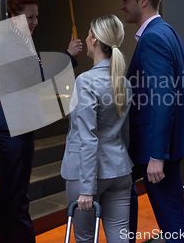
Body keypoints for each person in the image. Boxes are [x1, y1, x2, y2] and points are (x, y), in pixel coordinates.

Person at [0, 0, 82, 243]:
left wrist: (0, 98)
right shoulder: (15, 43)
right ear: (13, 17)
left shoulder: (18, 41)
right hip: (14, 127)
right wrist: (69, 55)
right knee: (16, 196)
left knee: (11, 193)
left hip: (13, 122)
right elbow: (38, 79)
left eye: (36, 17)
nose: (35, 22)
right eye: (30, 17)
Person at [119, 0, 184, 243]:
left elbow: (163, 99)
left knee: (172, 221)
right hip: (165, 144)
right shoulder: (168, 32)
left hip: (156, 150)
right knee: (173, 215)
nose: (122, 6)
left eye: (125, 0)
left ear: (144, 1)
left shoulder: (153, 38)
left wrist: (157, 156)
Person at [61, 14, 133, 243]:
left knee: (84, 239)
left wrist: (86, 189)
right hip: (120, 170)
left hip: (87, 175)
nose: (86, 37)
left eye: (88, 33)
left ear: (93, 40)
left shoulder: (85, 81)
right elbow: (125, 131)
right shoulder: (124, 82)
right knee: (120, 238)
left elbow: (88, 139)